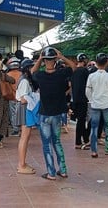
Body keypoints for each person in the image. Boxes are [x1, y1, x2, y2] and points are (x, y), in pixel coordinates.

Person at [31, 47, 76, 180]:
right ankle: (63, 170)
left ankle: (51, 173)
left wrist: (39, 59)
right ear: (55, 59)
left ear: (44, 61)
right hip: (57, 114)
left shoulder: (40, 76)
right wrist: (62, 57)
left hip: (45, 114)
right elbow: (73, 66)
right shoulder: (62, 74)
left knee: (46, 144)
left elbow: (33, 71)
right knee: (57, 142)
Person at [86, 53, 108, 158]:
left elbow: (88, 90)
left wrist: (91, 100)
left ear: (97, 62)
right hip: (107, 104)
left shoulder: (91, 76)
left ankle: (94, 151)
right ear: (106, 63)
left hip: (95, 104)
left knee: (94, 127)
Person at [16, 58, 37, 174]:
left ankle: (22, 163)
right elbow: (23, 99)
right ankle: (22, 165)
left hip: (25, 109)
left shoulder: (24, 79)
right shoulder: (24, 81)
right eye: (30, 68)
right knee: (24, 137)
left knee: (25, 137)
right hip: (25, 108)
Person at [71, 53, 91, 150]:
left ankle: (81, 141)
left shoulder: (74, 71)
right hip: (83, 98)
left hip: (75, 98)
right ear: (84, 60)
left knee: (80, 120)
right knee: (81, 121)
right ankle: (82, 141)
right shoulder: (85, 71)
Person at [6, 58, 22, 137]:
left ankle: (15, 130)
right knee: (21, 113)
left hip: (12, 96)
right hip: (21, 97)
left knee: (13, 114)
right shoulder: (22, 74)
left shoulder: (8, 75)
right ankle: (22, 129)